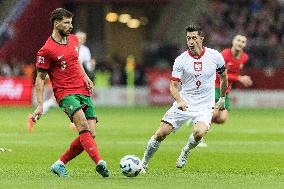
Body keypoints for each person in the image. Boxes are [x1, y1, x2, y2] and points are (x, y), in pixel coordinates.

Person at [31, 8, 109, 177]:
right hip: (65, 93)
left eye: (71, 22)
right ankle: (99, 162)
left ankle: (60, 164)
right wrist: (39, 105)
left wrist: (86, 76)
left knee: (91, 133)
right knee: (82, 126)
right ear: (56, 23)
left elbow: (75, 61)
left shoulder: (73, 40)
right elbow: (40, 78)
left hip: (82, 89)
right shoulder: (46, 50)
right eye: (66, 23)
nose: (70, 26)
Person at [140, 25, 228, 172]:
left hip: (205, 106)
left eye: (194, 38)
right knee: (162, 132)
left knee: (199, 133)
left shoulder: (215, 56)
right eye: (188, 38)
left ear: (201, 39)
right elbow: (173, 86)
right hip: (185, 103)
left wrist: (222, 98)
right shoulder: (181, 60)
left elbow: (224, 77)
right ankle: (143, 163)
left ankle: (185, 151)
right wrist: (180, 100)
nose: (191, 41)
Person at [27, 31, 96, 131]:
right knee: (60, 100)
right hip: (65, 79)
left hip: (78, 79)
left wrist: (92, 65)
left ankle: (34, 117)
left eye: (83, 38)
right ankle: (74, 122)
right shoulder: (67, 46)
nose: (80, 40)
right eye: (79, 37)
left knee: (63, 100)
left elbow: (88, 67)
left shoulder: (85, 50)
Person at [212, 34, 253, 124]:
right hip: (215, 86)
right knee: (214, 114)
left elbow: (234, 72)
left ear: (245, 45)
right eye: (238, 40)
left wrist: (238, 78)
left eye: (243, 42)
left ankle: (200, 119)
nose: (240, 43)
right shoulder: (224, 54)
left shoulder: (244, 57)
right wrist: (239, 78)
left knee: (221, 119)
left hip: (226, 90)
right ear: (233, 42)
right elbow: (220, 74)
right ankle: (199, 122)